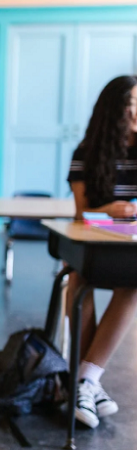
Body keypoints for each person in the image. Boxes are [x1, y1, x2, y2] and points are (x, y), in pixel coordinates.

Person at [66, 75, 137, 428]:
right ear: (115, 110)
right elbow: (81, 214)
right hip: (93, 242)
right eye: (132, 103)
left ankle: (84, 381)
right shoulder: (86, 152)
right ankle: (88, 382)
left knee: (134, 284)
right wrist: (108, 210)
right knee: (78, 279)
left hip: (130, 246)